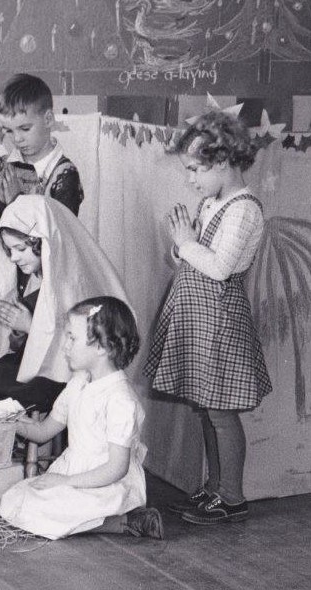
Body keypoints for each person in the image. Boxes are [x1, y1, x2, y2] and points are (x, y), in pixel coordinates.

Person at [144, 110, 272, 525]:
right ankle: (215, 488)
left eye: (196, 169)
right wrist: (178, 246)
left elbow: (218, 267)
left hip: (219, 321)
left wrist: (185, 243)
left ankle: (232, 496)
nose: (192, 179)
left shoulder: (244, 209)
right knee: (206, 407)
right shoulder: (212, 202)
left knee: (220, 412)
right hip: (199, 318)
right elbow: (189, 258)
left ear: (224, 161)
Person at [0, 297, 163, 540]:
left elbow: (116, 468)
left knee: (40, 509)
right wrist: (2, 416)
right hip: (73, 473)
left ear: (102, 348)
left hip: (105, 482)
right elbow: (43, 431)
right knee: (15, 499)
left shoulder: (119, 399)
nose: (65, 346)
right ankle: (113, 520)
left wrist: (65, 482)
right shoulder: (77, 384)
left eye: (72, 338)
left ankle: (126, 520)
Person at [0, 195, 128, 413]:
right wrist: (17, 329)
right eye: (9, 251)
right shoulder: (36, 275)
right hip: (31, 363)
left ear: (41, 242)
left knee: (20, 390)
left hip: (61, 374)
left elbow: (77, 347)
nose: (14, 257)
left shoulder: (71, 281)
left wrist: (28, 325)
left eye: (20, 249)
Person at [0, 73, 84, 221]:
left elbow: (57, 235)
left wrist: (15, 201)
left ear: (48, 119)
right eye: (9, 130)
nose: (17, 139)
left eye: (25, 129)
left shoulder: (65, 175)